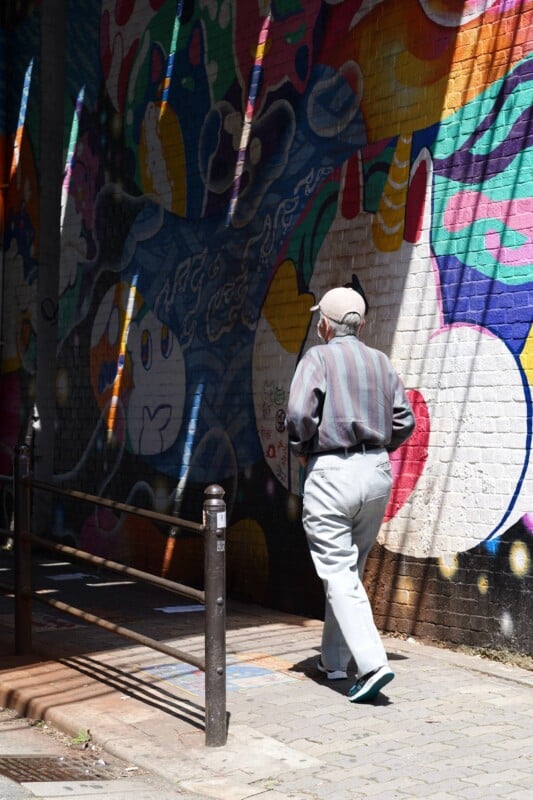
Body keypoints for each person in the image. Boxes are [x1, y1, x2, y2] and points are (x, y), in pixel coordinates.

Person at [286, 286, 415, 702]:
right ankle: (334, 661)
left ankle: (373, 663)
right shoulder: (380, 361)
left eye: (317, 318)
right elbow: (404, 419)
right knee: (350, 572)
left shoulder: (318, 357)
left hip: (332, 470)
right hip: (376, 471)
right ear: (360, 323)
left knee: (338, 572)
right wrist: (379, 449)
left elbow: (298, 414)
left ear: (325, 323)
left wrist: (302, 446)